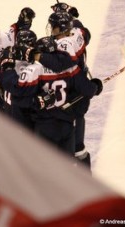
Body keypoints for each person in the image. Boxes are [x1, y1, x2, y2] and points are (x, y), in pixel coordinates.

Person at [0, 36, 102, 157]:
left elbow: (16, 91)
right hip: (67, 125)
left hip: (45, 126)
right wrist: (95, 86)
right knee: (68, 167)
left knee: (46, 169)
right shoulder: (71, 67)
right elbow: (88, 90)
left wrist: (7, 67)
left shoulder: (35, 69)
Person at [49, 5, 94, 168]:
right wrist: (68, 15)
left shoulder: (62, 45)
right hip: (81, 91)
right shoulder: (78, 33)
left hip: (71, 94)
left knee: (68, 146)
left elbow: (57, 64)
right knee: (78, 147)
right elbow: (84, 30)